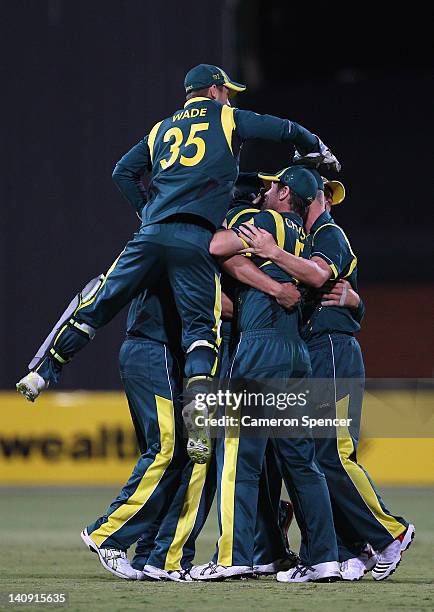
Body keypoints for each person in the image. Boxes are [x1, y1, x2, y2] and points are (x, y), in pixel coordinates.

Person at [16, 63, 339, 466]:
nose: (230, 98)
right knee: (201, 333)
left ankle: (43, 372)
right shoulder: (225, 118)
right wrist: (314, 147)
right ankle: (199, 425)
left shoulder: (159, 130)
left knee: (99, 301)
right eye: (227, 92)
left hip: (150, 235)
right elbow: (283, 129)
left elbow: (123, 172)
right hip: (196, 241)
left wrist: (148, 211)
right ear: (215, 91)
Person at [239, 171, 415, 581]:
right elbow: (339, 295)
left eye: (323, 195)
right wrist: (355, 300)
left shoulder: (327, 234)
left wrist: (271, 251)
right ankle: (348, 549)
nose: (324, 201)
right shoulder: (308, 237)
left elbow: (319, 277)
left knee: (332, 451)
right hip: (315, 351)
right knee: (317, 456)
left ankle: (391, 532)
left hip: (330, 351)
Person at [191, 166, 341, 583]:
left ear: (284, 193)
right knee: (301, 461)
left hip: (261, 346)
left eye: (273, 186)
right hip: (295, 351)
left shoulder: (264, 222)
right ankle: (325, 558)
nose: (266, 191)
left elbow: (215, 244)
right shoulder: (306, 238)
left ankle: (234, 557)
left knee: (238, 456)